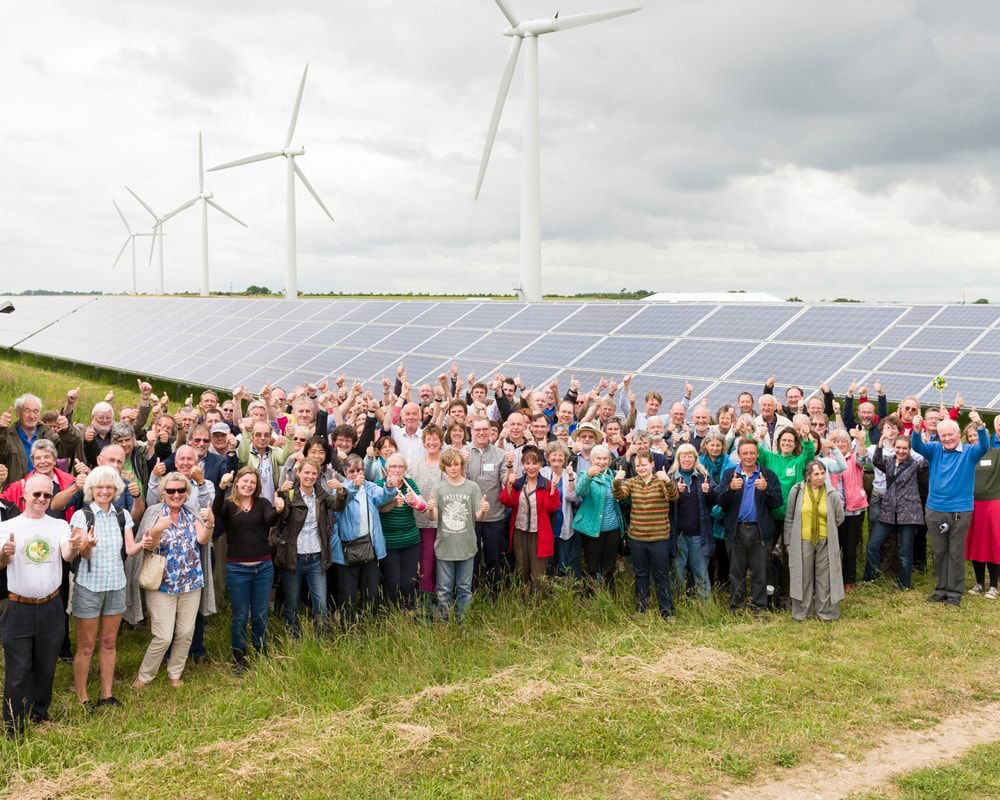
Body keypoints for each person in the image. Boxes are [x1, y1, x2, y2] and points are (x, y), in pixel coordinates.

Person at [0, 474, 79, 735]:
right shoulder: (8, 526)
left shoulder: (58, 525)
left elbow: (67, 553)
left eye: (47, 495)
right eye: (37, 494)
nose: (42, 499)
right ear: (24, 494)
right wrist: (4, 553)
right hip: (18, 608)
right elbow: (1, 562)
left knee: (46, 665)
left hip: (51, 607)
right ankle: (14, 724)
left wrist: (77, 546)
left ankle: (39, 714)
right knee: (19, 669)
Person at [131, 472, 213, 687]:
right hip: (161, 583)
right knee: (163, 636)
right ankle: (144, 675)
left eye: (180, 490)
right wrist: (157, 529)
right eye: (171, 490)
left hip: (191, 581)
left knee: (186, 632)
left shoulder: (192, 513)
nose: (176, 494)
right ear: (163, 492)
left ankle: (175, 672)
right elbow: (147, 546)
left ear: (186, 493)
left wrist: (210, 524)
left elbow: (202, 539)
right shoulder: (154, 513)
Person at [68, 466, 132, 710]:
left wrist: (151, 538)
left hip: (116, 585)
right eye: (99, 487)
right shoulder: (82, 516)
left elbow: (131, 549)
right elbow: (81, 554)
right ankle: (83, 697)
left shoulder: (122, 515)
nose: (104, 491)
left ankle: (107, 694)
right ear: (91, 490)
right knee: (86, 645)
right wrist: (88, 545)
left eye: (109, 487)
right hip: (89, 587)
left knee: (108, 642)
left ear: (116, 490)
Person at [911, 410, 990, 606]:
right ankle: (940, 589)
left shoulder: (970, 452)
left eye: (950, 434)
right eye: (943, 435)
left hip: (960, 511)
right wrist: (915, 428)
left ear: (958, 434)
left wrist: (980, 425)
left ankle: (954, 593)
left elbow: (985, 445)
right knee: (939, 551)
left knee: (955, 552)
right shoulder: (935, 449)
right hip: (935, 509)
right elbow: (917, 445)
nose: (947, 439)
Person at [214, 466, 284, 668]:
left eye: (252, 482)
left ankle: (261, 651)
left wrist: (279, 509)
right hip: (238, 569)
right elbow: (216, 511)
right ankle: (239, 657)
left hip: (263, 567)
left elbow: (270, 520)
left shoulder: (262, 503)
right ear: (237, 482)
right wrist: (221, 487)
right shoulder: (228, 505)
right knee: (241, 614)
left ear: (257, 485)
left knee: (261, 613)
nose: (248, 485)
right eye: (245, 481)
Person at [273, 458, 344, 636]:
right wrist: (281, 497)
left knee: (320, 603)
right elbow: (280, 519)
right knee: (292, 603)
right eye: (307, 472)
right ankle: (293, 639)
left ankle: (322, 639)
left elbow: (337, 506)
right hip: (294, 557)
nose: (310, 476)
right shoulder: (289, 494)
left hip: (316, 558)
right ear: (299, 473)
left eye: (314, 473)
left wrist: (341, 490)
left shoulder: (320, 495)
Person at [331, 454, 399, 622]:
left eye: (359, 470)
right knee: (348, 593)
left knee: (371, 592)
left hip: (370, 547)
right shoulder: (340, 489)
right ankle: (347, 627)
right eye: (351, 471)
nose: (356, 474)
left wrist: (389, 487)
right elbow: (341, 504)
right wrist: (353, 487)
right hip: (348, 549)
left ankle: (369, 625)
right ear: (345, 472)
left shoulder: (369, 486)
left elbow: (382, 497)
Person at [719, 439, 782, 613]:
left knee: (760, 571)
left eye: (752, 453)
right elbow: (720, 502)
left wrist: (766, 489)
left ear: (757, 454)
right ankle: (736, 607)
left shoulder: (768, 475)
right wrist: (730, 488)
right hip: (737, 529)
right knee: (736, 571)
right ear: (738, 455)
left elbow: (778, 502)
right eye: (745, 453)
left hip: (759, 530)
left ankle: (758, 607)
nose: (748, 457)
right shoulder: (730, 474)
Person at [612, 453, 679, 616]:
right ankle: (642, 610)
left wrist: (668, 481)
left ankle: (667, 612)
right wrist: (616, 481)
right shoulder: (632, 482)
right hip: (637, 538)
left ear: (652, 464)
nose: (640, 468)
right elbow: (619, 495)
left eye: (644, 465)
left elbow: (674, 496)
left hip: (659, 538)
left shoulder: (661, 480)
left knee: (661, 575)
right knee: (641, 574)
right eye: (638, 465)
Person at [427, 448, 488, 622]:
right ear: (443, 467)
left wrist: (483, 510)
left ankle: (462, 623)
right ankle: (445, 622)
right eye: (449, 465)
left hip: (466, 545)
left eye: (456, 464)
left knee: (464, 588)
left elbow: (478, 516)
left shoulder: (472, 487)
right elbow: (434, 517)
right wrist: (430, 509)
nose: (453, 468)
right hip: (445, 546)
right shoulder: (438, 488)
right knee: (444, 588)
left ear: (462, 465)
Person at [784, 461, 846, 621]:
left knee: (825, 577)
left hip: (825, 540)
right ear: (808, 476)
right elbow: (789, 517)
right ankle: (802, 612)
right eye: (816, 474)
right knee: (802, 576)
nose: (820, 477)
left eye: (822, 473)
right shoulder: (797, 490)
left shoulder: (831, 493)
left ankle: (825, 612)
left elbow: (839, 517)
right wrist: (788, 541)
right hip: (802, 540)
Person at [499, 445, 561, 594]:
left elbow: (552, 508)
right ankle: (522, 603)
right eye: (527, 463)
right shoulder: (518, 483)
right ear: (523, 465)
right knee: (521, 569)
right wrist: (509, 485)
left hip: (539, 535)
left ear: (540, 464)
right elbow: (507, 502)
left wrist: (553, 490)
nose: (531, 467)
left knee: (538, 572)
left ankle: (538, 604)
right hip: (520, 533)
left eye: (534, 463)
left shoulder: (547, 484)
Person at [666, 444, 714, 602]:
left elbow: (715, 501)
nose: (686, 459)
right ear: (678, 459)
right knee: (677, 573)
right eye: (683, 456)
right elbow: (663, 504)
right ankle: (677, 605)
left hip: (698, 535)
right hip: (677, 535)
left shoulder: (704, 476)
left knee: (701, 572)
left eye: (690, 456)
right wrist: (673, 492)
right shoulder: (670, 477)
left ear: (695, 458)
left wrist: (710, 492)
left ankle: (705, 608)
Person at [574, 444, 625, 591]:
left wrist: (620, 483)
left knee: (609, 565)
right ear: (591, 459)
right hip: (592, 529)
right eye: (598, 458)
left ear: (609, 460)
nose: (602, 462)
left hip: (613, 529)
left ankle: (609, 595)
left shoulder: (614, 475)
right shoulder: (585, 474)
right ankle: (589, 596)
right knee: (592, 565)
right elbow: (580, 491)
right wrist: (589, 476)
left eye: (605, 459)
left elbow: (624, 498)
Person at [378, 454, 426, 608]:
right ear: (387, 469)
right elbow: (377, 509)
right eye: (393, 466)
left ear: (405, 469)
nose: (397, 470)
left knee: (408, 583)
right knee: (393, 583)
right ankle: (391, 615)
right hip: (389, 542)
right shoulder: (379, 484)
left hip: (410, 541)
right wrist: (391, 503)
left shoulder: (409, 483)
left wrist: (413, 501)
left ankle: (409, 613)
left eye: (400, 467)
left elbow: (423, 507)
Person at [827, 428, 869, 590]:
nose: (840, 444)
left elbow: (864, 459)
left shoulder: (854, 458)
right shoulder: (828, 458)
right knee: (834, 547)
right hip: (834, 510)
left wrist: (860, 440)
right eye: (837, 442)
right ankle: (834, 579)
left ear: (848, 444)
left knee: (850, 547)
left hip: (854, 510)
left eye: (843, 441)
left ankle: (848, 580)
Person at [410, 426, 444, 604]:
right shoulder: (415, 464)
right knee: (426, 564)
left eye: (435, 439)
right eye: (428, 439)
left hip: (442, 523)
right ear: (423, 442)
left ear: (441, 442)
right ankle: (427, 602)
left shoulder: (446, 464)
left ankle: (443, 599)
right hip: (420, 523)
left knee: (443, 563)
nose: (431, 443)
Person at [965, 436, 1000, 599]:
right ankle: (979, 583)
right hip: (972, 504)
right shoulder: (967, 454)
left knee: (993, 543)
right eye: (970, 436)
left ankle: (993, 586)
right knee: (976, 543)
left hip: (993, 505)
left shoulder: (996, 453)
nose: (974, 438)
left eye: (977, 435)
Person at [540, 441, 580, 578]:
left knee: (563, 562)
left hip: (563, 523)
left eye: (560, 455)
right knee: (546, 561)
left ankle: (563, 590)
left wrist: (570, 479)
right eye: (553, 455)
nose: (557, 458)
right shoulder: (541, 473)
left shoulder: (572, 474)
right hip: (544, 523)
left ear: (565, 458)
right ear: (547, 457)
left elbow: (572, 498)